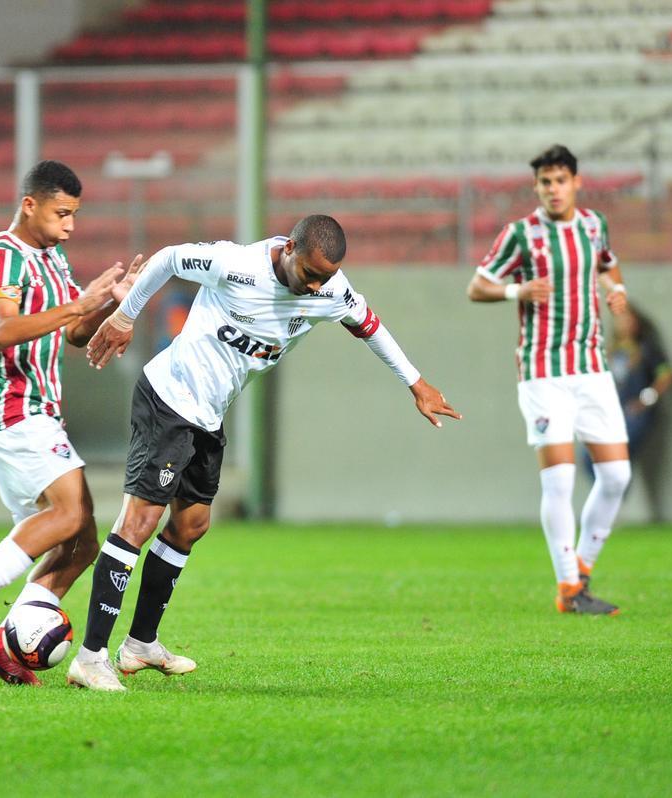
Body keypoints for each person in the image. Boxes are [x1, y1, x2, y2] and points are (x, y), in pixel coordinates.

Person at [67, 214, 461, 691]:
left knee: (192, 525)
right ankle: (89, 657)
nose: (317, 286)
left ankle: (140, 645)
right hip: (169, 399)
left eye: (326, 277)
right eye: (311, 274)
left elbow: (370, 326)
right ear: (290, 247)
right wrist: (125, 316)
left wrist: (416, 384)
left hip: (207, 415)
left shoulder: (331, 289)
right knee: (139, 522)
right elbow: (169, 258)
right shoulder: (237, 264)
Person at [0, 160, 143, 686]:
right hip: (15, 410)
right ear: (30, 205)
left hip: (42, 414)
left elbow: (72, 335)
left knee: (82, 542)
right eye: (61, 213)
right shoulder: (5, 255)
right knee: (69, 515)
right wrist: (78, 303)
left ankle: (9, 640)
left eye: (74, 214)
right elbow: (1, 330)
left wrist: (105, 307)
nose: (70, 225)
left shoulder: (53, 259)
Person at [467, 144, 631, 616]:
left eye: (560, 180)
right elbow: (477, 286)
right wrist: (517, 289)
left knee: (618, 476)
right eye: (544, 182)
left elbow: (605, 261)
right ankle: (568, 589)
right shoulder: (520, 235)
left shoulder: (594, 224)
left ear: (576, 183)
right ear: (536, 187)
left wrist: (614, 288)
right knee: (559, 481)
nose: (553, 189)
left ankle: (581, 571)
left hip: (591, 366)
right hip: (543, 371)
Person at [608, 304, 672, 461]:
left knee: (619, 457)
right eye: (621, 319)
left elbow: (666, 376)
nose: (626, 323)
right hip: (614, 412)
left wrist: (644, 401)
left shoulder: (646, 350)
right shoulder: (612, 350)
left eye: (629, 319)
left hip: (634, 413)